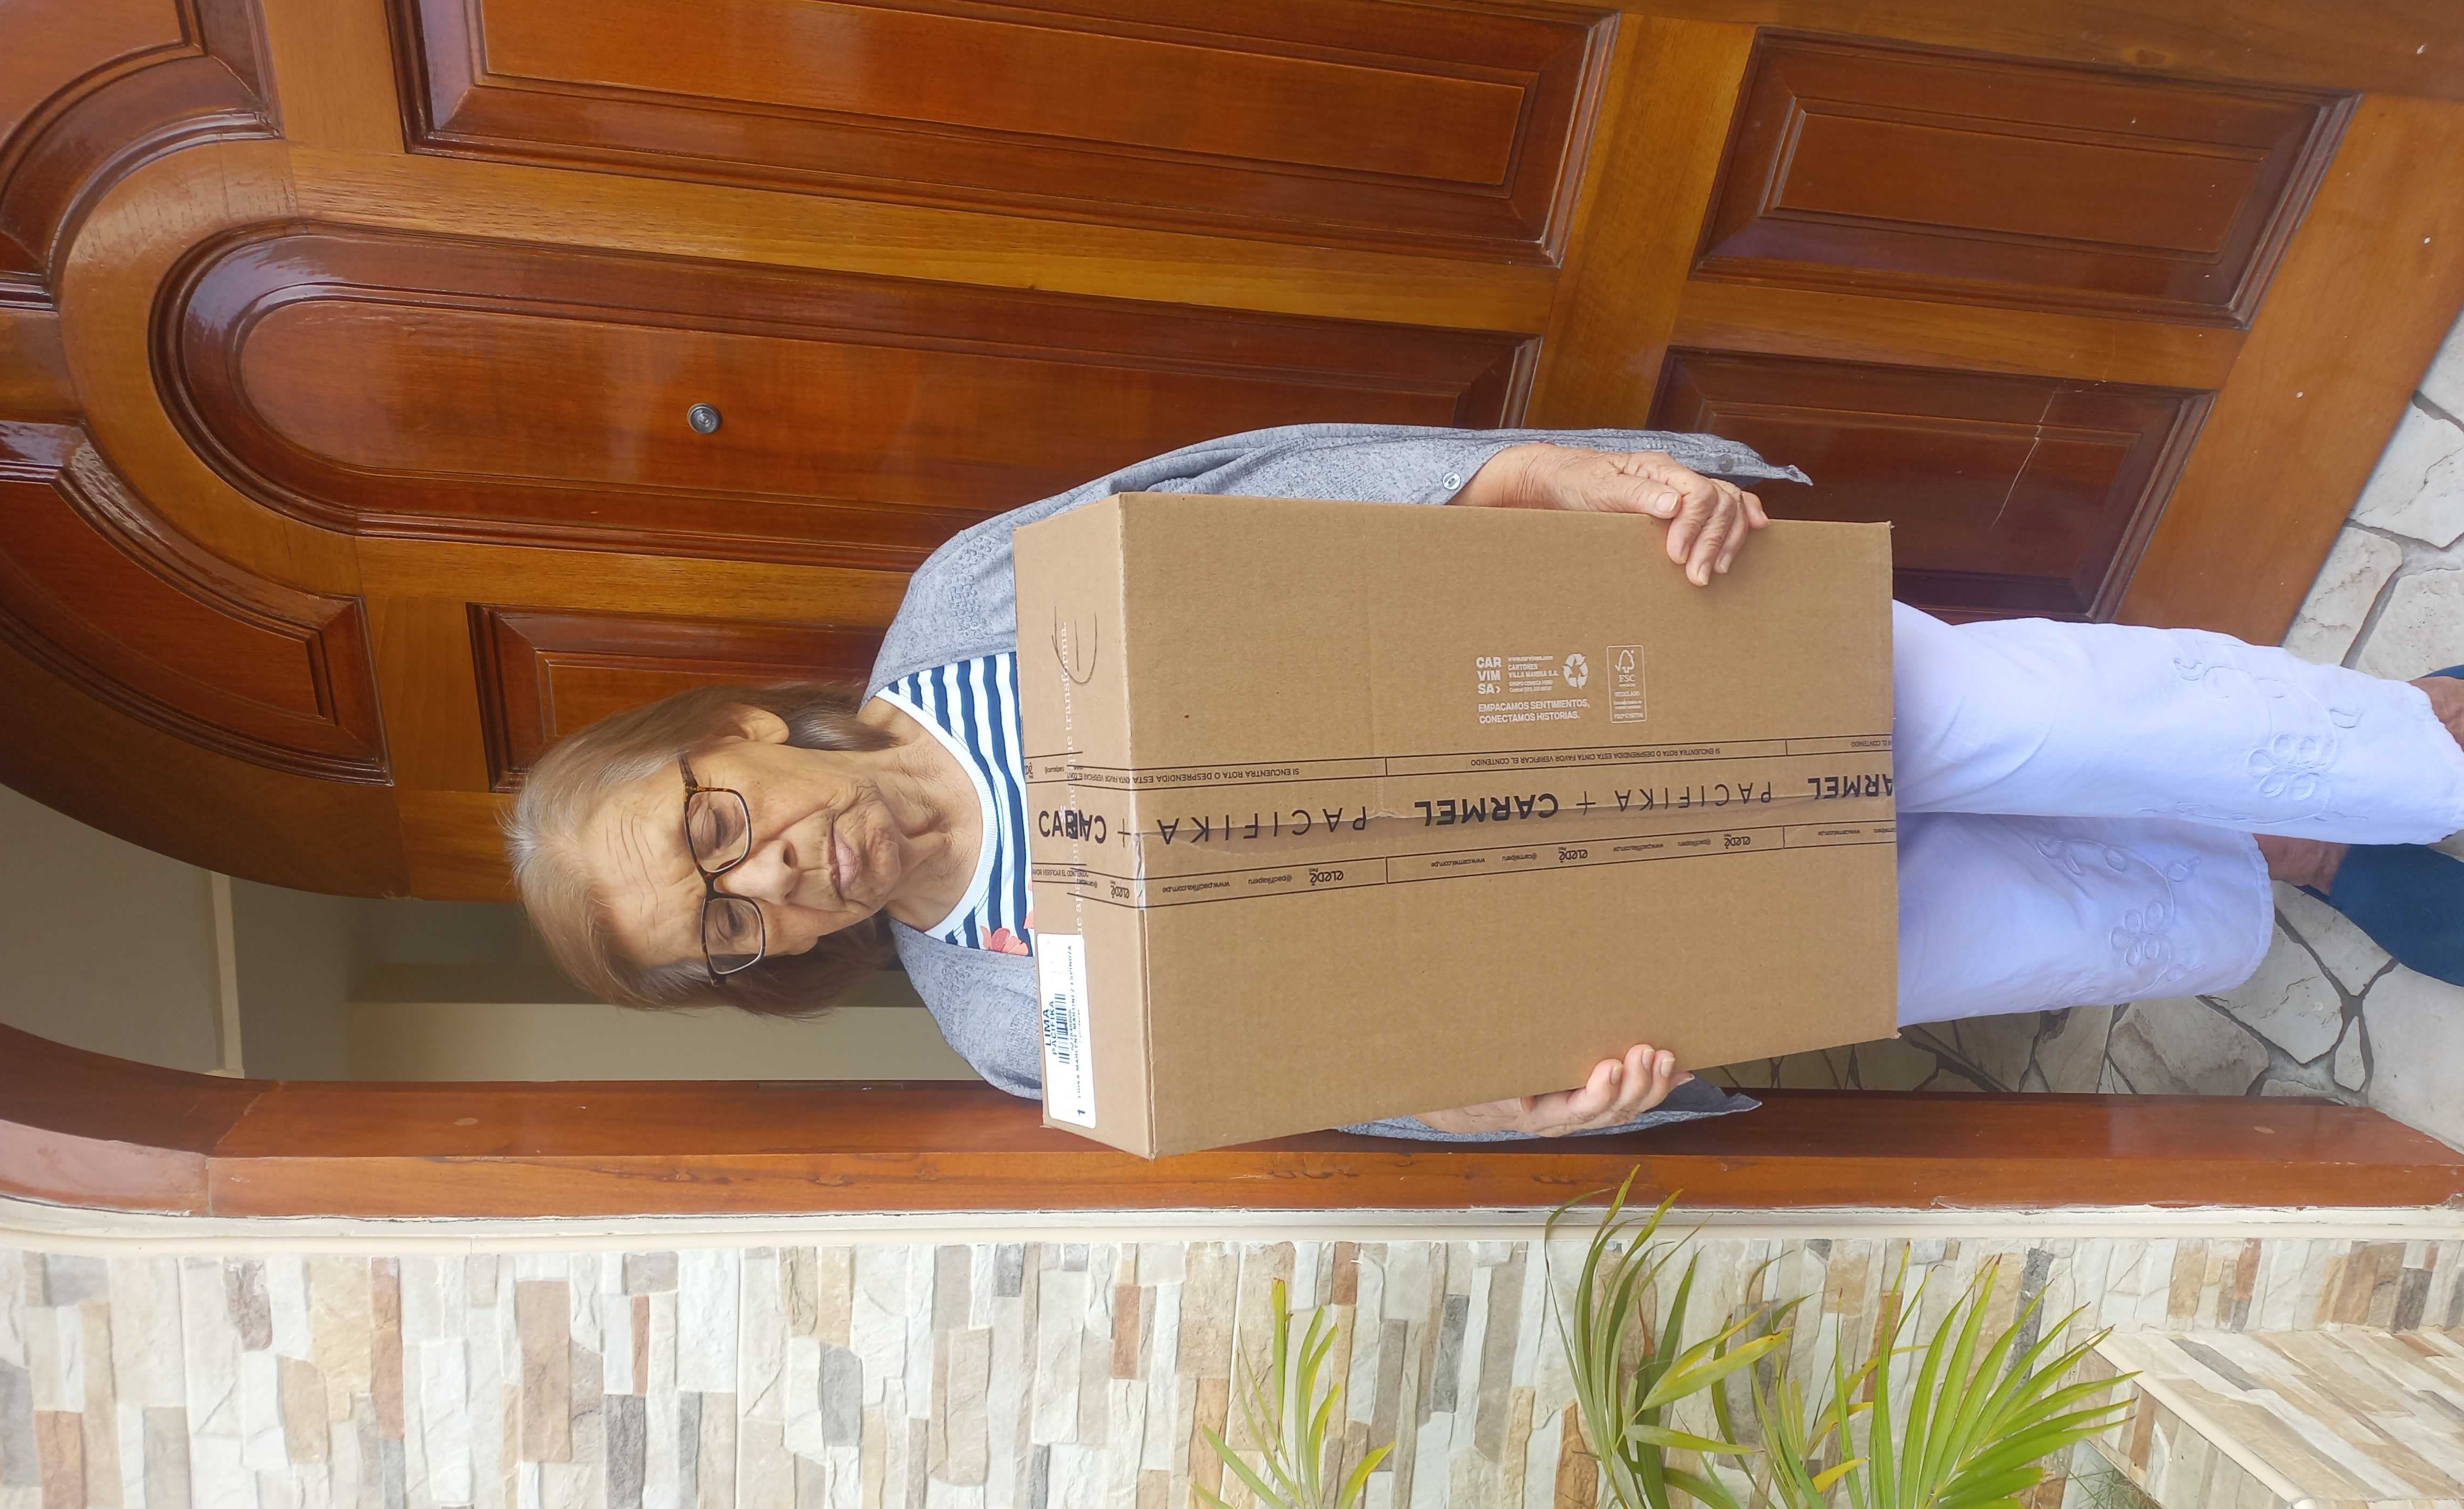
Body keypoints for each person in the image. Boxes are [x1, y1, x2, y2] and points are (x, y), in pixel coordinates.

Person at [507, 423, 2464, 1142]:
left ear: (728, 731)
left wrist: (1577, 485)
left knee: (2063, 717)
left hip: (1654, 680)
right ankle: (2308, 850)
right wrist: (1511, 1102)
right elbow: (1317, 1066)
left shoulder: (971, 603)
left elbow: (1299, 496)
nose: (773, 873)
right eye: (728, 921)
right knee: (2079, 925)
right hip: (1681, 924)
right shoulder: (1006, 1014)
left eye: (712, 827)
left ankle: (2425, 754)